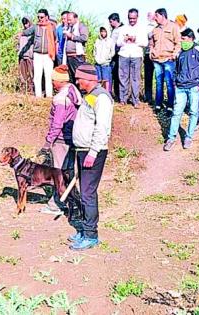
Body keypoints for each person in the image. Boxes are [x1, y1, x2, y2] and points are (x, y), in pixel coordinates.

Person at [69, 64, 114, 251]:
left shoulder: (101, 97)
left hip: (91, 151)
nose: (77, 82)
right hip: (82, 149)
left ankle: (91, 235)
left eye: (79, 79)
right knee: (84, 192)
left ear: (88, 79)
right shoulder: (90, 96)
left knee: (87, 193)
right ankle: (84, 230)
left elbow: (102, 127)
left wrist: (93, 152)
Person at [39, 65, 83, 215]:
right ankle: (73, 202)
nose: (52, 83)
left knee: (58, 173)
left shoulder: (61, 99)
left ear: (59, 81)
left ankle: (56, 205)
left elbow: (57, 123)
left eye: (53, 80)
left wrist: (48, 142)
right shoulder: (73, 91)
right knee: (68, 171)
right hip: (73, 138)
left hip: (62, 140)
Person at [163, 28, 199, 151]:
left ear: (191, 39)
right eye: (181, 39)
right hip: (180, 88)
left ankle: (189, 137)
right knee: (176, 113)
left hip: (194, 87)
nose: (182, 41)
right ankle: (171, 138)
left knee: (193, 112)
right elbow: (175, 70)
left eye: (184, 39)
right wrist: (175, 82)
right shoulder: (180, 53)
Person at [150, 8, 181, 115]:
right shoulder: (155, 29)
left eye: (156, 16)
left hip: (168, 59)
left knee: (169, 83)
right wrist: (151, 52)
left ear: (163, 16)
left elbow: (178, 43)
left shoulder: (173, 27)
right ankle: (158, 105)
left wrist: (174, 55)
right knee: (158, 83)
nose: (155, 18)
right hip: (157, 60)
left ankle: (170, 106)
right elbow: (152, 43)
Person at [20, 9, 57, 98]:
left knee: (48, 76)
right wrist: (21, 34)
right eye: (38, 17)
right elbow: (27, 32)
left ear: (47, 17)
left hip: (48, 54)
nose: (40, 19)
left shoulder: (52, 27)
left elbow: (56, 39)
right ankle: (38, 96)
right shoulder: (36, 27)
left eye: (42, 17)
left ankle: (49, 96)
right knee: (37, 76)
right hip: (37, 54)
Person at [116, 8, 148, 108]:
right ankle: (123, 99)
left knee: (135, 78)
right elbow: (118, 43)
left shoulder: (142, 29)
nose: (132, 20)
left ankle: (135, 100)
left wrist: (136, 39)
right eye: (130, 18)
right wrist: (124, 40)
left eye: (134, 18)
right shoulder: (123, 28)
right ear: (128, 17)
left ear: (137, 17)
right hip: (124, 55)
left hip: (136, 55)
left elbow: (145, 43)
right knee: (123, 78)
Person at [64, 12, 89, 80]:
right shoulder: (69, 27)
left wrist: (72, 36)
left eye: (70, 20)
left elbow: (84, 38)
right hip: (69, 56)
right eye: (68, 20)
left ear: (76, 18)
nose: (68, 22)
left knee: (78, 76)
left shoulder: (81, 26)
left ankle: (80, 90)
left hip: (77, 56)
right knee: (71, 77)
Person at [94, 27, 115, 93]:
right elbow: (94, 50)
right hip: (98, 63)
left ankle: (108, 94)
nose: (103, 33)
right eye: (101, 31)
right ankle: (100, 94)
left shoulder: (110, 41)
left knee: (106, 80)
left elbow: (112, 52)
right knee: (99, 80)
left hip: (106, 64)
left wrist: (108, 57)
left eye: (104, 31)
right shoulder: (97, 40)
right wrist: (95, 57)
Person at [108, 13, 124, 100]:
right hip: (112, 55)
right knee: (113, 74)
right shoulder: (114, 30)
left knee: (119, 75)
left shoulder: (122, 29)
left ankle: (119, 95)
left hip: (119, 54)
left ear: (115, 20)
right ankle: (114, 93)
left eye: (111, 22)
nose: (110, 23)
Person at [18, 16, 34, 94]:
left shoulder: (33, 32)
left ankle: (31, 90)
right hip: (21, 56)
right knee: (23, 74)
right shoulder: (21, 32)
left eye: (26, 23)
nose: (25, 25)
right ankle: (24, 89)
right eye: (24, 23)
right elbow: (18, 44)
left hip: (29, 56)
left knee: (31, 74)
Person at [144, 12, 157, 104]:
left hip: (158, 55)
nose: (150, 17)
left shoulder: (159, 26)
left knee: (159, 77)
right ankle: (148, 96)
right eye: (148, 15)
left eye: (151, 15)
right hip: (148, 53)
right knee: (148, 76)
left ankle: (158, 98)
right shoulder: (144, 27)